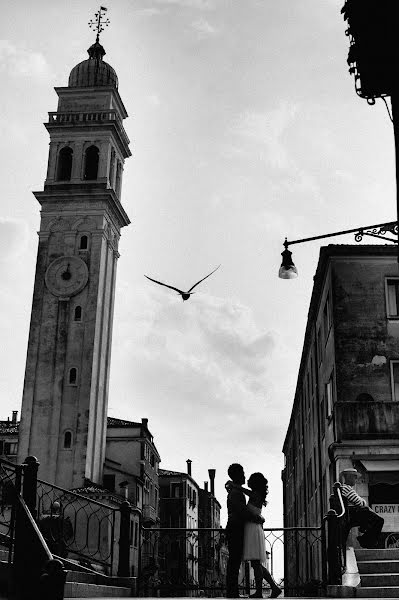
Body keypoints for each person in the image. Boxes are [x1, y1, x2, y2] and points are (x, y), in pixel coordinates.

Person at [227, 473, 281, 599]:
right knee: (257, 563)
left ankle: (259, 592)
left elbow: (244, 492)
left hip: (252, 529)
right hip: (253, 529)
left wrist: (233, 485)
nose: (247, 480)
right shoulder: (257, 495)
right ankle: (274, 587)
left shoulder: (255, 495)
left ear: (254, 483)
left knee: (256, 563)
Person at [225, 464, 264, 599]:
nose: (244, 476)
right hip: (235, 528)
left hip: (236, 528)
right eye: (242, 473)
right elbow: (242, 511)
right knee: (234, 561)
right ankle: (232, 593)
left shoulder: (236, 491)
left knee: (235, 561)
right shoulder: (236, 493)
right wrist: (257, 518)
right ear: (236, 475)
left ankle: (233, 592)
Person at [339, 468, 384, 549]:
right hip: (352, 515)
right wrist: (363, 502)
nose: (356, 479)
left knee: (373, 517)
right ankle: (365, 540)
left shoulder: (345, 488)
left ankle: (364, 535)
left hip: (351, 514)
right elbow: (360, 503)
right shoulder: (347, 488)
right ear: (349, 477)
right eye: (354, 477)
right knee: (379, 520)